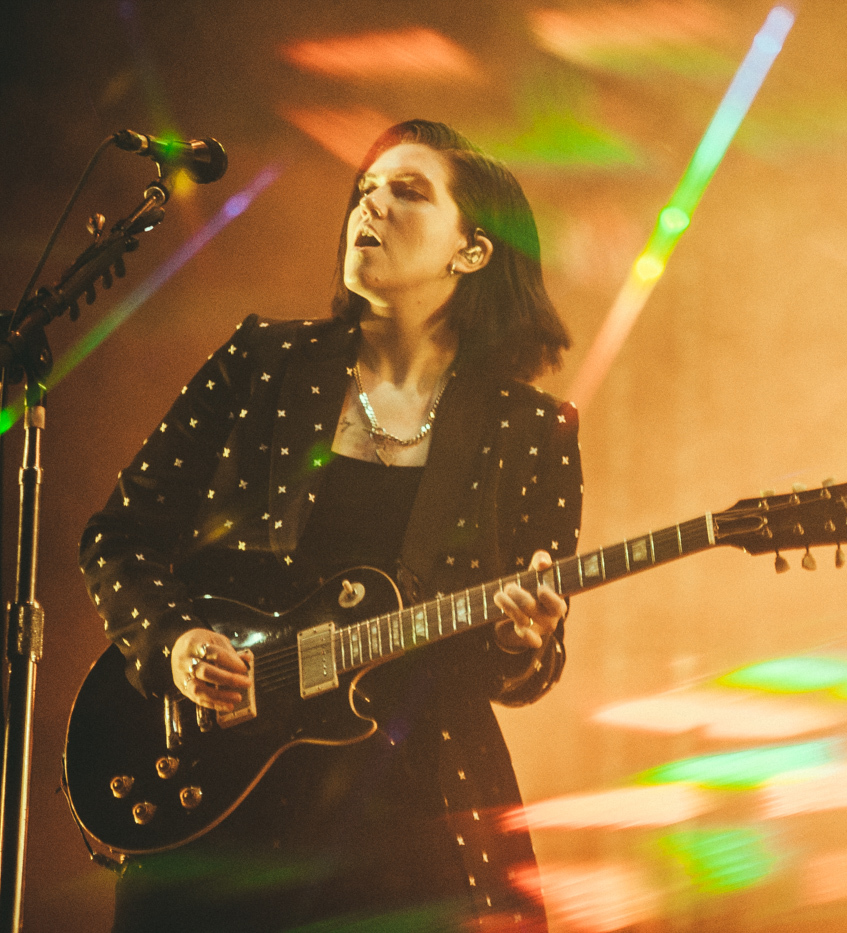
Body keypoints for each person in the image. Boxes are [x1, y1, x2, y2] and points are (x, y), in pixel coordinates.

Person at [79, 119, 581, 932]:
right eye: (366, 189)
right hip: (223, 792)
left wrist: (524, 641)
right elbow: (119, 533)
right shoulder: (263, 363)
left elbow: (523, 671)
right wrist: (172, 643)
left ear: (472, 251)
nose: (369, 205)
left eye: (407, 191)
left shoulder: (531, 430)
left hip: (416, 817)